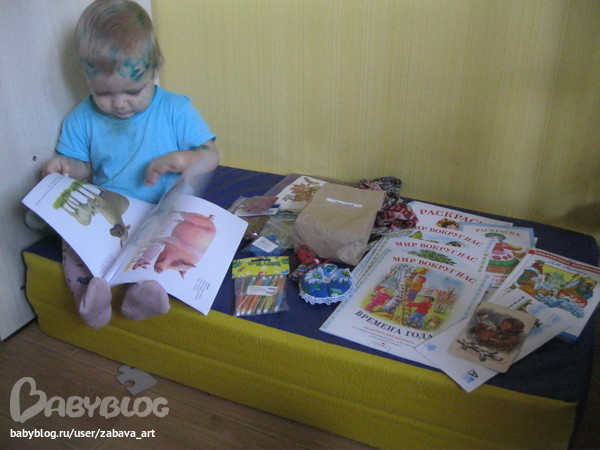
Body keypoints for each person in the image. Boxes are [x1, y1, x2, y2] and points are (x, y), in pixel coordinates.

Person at [41, 0, 219, 329]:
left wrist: (186, 159)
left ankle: (143, 295)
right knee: (74, 244)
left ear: (155, 69)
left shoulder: (175, 109)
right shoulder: (82, 118)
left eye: (134, 91)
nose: (120, 104)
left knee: (171, 247)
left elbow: (211, 155)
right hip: (110, 209)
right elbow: (82, 167)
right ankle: (88, 298)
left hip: (162, 209)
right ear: (87, 78)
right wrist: (63, 167)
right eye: (103, 93)